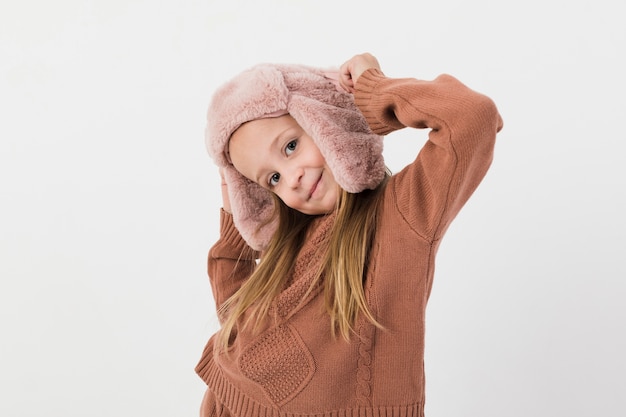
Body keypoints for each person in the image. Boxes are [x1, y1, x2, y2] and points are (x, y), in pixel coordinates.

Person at [196, 52, 503, 417]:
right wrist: (234, 220)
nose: (290, 177)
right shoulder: (293, 244)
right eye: (272, 179)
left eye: (291, 147)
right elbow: (240, 325)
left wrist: (373, 90)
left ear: (323, 121)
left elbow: (473, 117)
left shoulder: (402, 215)